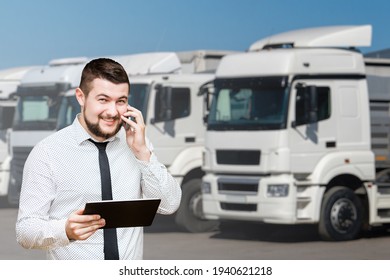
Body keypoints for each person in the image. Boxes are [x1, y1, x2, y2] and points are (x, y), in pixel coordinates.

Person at [15, 58, 181, 260]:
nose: (112, 112)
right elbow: (25, 230)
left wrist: (143, 153)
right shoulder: (48, 152)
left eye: (120, 101)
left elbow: (169, 205)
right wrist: (64, 230)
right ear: (81, 97)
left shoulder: (138, 144)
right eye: (103, 100)